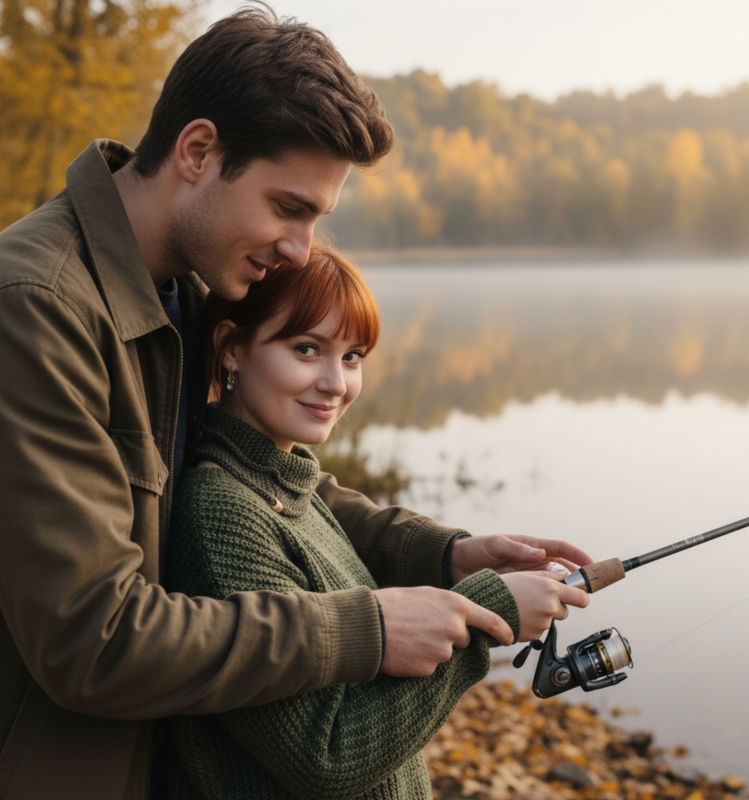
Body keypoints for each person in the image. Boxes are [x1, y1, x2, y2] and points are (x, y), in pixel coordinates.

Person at [0, 7, 592, 800]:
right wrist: (369, 628)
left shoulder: (183, 288)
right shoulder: (38, 306)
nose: (301, 249)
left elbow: (259, 482)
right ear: (198, 152)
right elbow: (93, 640)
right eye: (288, 207)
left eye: (316, 218)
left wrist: (442, 556)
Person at [163, 244, 590, 800]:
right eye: (307, 348)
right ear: (231, 349)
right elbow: (328, 753)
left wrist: (455, 562)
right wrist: (494, 613)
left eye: (352, 356)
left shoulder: (287, 484)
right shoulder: (223, 514)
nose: (336, 384)